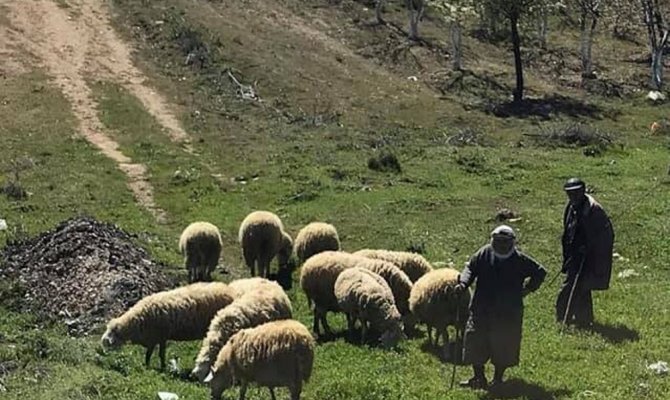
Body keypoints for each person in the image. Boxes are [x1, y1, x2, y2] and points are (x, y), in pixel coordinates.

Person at [455, 225, 547, 389]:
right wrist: (463, 283)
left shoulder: (519, 260)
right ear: (493, 241)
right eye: (498, 241)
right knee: (475, 341)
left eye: (506, 242)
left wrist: (528, 289)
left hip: (507, 313)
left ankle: (497, 379)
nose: (502, 245)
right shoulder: (484, 253)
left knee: (504, 345)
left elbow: (540, 272)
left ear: (512, 243)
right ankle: (479, 377)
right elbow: (470, 268)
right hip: (481, 309)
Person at [556, 178, 614, 328]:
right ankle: (584, 320)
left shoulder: (594, 210)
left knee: (572, 286)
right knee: (580, 287)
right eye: (569, 193)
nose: (572, 196)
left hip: (589, 257)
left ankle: (563, 319)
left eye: (575, 192)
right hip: (574, 254)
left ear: (582, 191)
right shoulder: (571, 207)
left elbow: (606, 235)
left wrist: (590, 248)